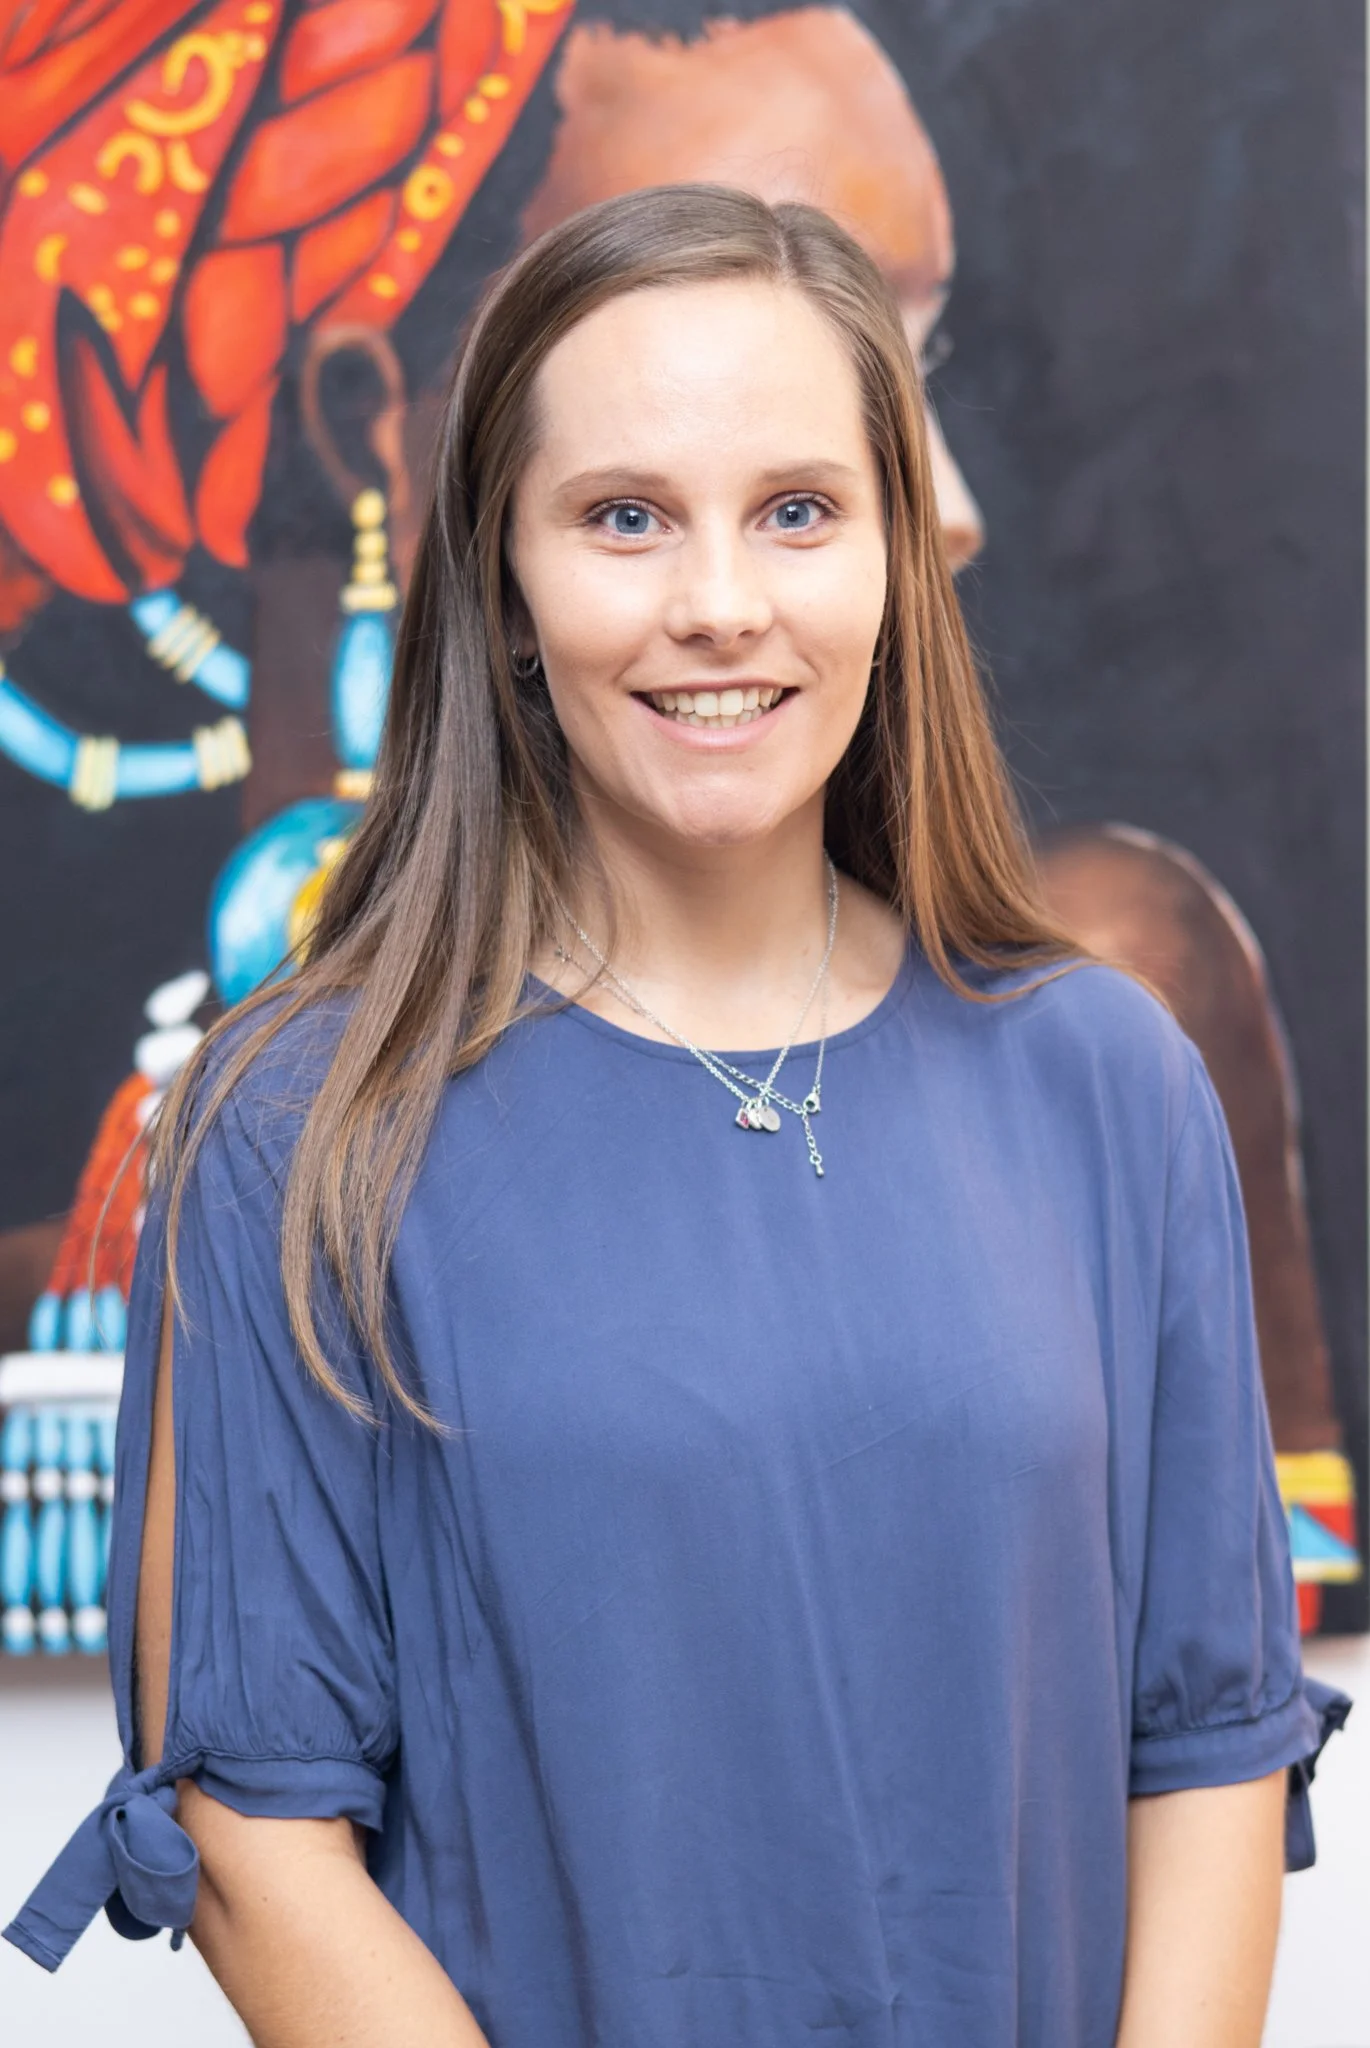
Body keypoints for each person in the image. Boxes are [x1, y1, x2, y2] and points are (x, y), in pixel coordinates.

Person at [3, 183, 1350, 2046]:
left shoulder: (1108, 1085)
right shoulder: (300, 1126)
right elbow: (256, 1834)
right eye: (623, 517)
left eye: (797, 511)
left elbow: (1202, 1743)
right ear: (506, 578)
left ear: (895, 559)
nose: (720, 604)